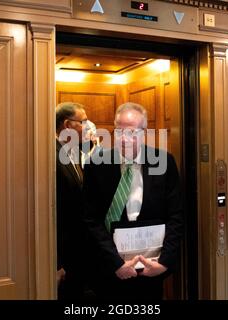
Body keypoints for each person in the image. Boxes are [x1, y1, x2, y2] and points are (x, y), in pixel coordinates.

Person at [83, 102, 184, 300]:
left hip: (151, 267)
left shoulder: (164, 162)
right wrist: (115, 264)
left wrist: (164, 262)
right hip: (110, 267)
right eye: (119, 131)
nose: (124, 138)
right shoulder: (97, 165)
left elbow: (176, 216)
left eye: (131, 132)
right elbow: (90, 220)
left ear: (143, 132)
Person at [56, 101, 91, 299]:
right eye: (83, 122)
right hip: (64, 254)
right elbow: (52, 211)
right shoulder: (49, 155)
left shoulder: (73, 151)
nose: (87, 126)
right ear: (68, 125)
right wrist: (56, 262)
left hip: (79, 250)